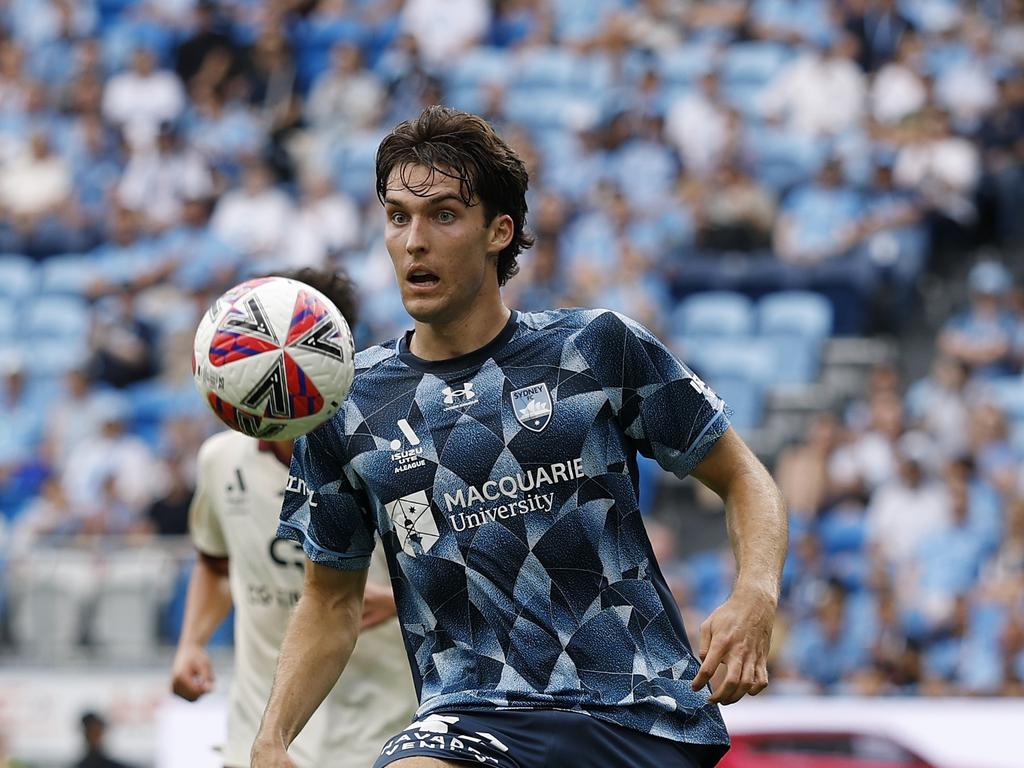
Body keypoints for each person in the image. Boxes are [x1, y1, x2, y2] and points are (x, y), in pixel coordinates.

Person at [253, 107, 788, 768]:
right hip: (471, 713)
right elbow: (329, 601)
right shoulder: (348, 404)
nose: (414, 240)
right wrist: (272, 736)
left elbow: (744, 477)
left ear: (498, 232)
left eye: (443, 215)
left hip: (639, 714)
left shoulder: (594, 348)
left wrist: (755, 595)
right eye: (398, 217)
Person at [170, 267, 416, 768]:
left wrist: (393, 600)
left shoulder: (392, 458)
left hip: (379, 730)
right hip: (259, 739)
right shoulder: (222, 461)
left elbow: (463, 575)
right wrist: (191, 642)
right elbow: (215, 565)